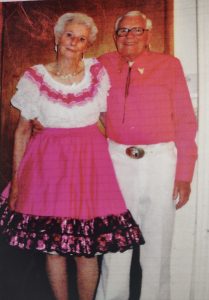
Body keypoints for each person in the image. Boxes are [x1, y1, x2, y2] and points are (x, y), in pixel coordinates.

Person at [0, 12, 144, 300]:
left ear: (87, 45)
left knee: (86, 249)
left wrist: (134, 146)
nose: (74, 42)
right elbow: (22, 131)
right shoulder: (35, 77)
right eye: (69, 35)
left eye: (81, 39)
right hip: (48, 164)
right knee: (54, 249)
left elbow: (108, 118)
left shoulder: (96, 73)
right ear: (57, 37)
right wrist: (16, 181)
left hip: (90, 164)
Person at [95, 10, 198, 300]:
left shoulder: (169, 65)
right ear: (115, 37)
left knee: (157, 243)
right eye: (123, 31)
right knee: (116, 241)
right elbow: (82, 98)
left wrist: (184, 175)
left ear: (148, 35)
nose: (129, 36)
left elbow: (186, 121)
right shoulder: (101, 65)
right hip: (116, 160)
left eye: (136, 30)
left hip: (160, 162)